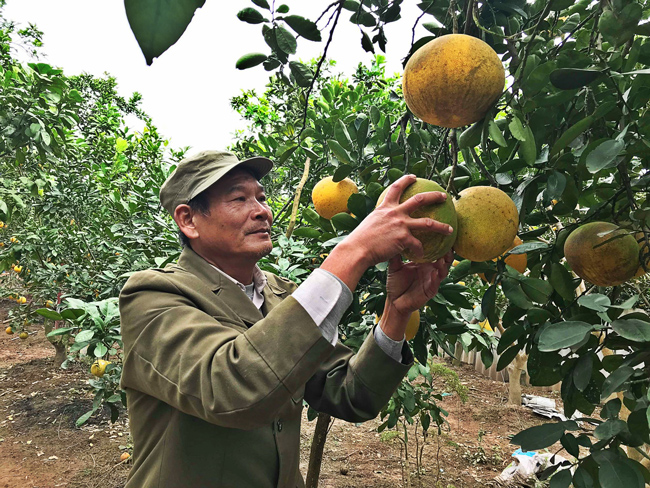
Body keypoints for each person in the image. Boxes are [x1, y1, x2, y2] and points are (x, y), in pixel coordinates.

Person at [119, 150, 454, 488]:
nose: (263, 211)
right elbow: (230, 388)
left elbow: (351, 394)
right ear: (189, 220)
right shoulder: (153, 296)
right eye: (239, 198)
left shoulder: (282, 295)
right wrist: (353, 252)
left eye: (262, 198)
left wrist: (395, 313)